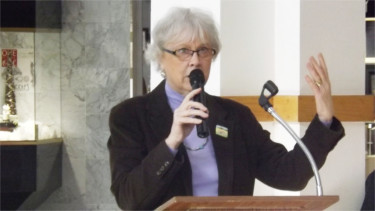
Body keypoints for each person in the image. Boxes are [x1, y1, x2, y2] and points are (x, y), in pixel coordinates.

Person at [107, 7, 345, 210]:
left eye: (204, 50)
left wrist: (324, 119)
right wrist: (172, 142)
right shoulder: (130, 116)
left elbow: (290, 175)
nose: (195, 60)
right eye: (183, 51)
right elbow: (129, 198)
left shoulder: (235, 116)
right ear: (160, 57)